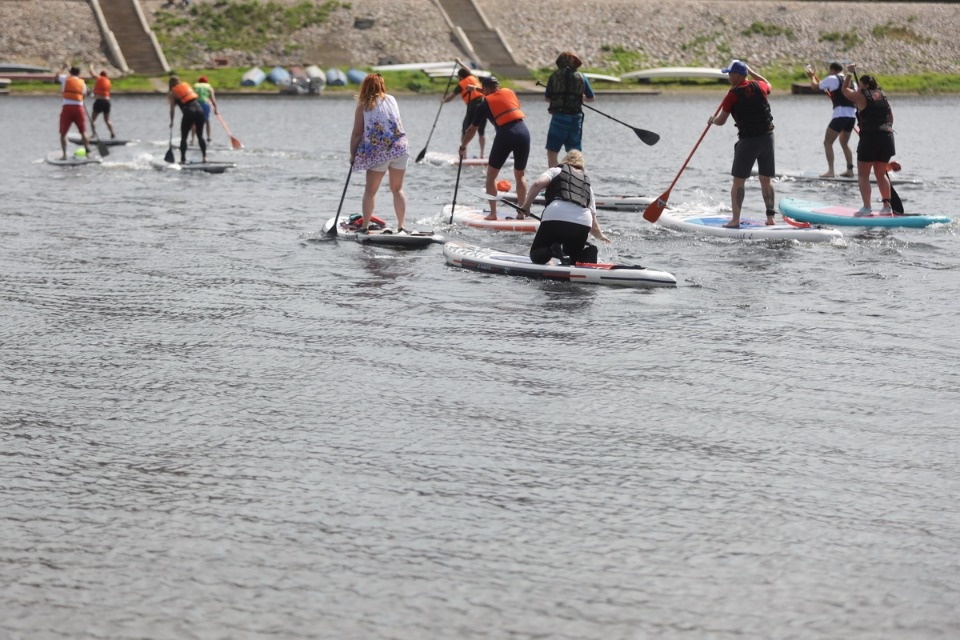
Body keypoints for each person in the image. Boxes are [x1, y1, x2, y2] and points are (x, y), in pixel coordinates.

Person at [709, 59, 776, 228]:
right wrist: (752, 72)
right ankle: (770, 218)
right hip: (768, 138)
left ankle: (735, 220)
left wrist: (712, 121)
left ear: (737, 75)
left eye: (729, 74)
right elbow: (769, 83)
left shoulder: (732, 95)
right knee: (766, 179)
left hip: (748, 141)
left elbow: (722, 121)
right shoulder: (759, 86)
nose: (728, 77)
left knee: (738, 182)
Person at [520, 150, 610, 265]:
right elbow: (594, 226)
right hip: (582, 222)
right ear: (582, 165)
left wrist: (526, 206)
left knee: (537, 255)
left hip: (556, 215)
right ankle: (588, 252)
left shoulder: (556, 171)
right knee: (574, 260)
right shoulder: (587, 185)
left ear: (566, 160)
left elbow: (537, 184)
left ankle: (553, 250)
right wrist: (601, 236)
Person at [459, 76, 530, 221]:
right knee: (520, 175)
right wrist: (477, 89)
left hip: (505, 135)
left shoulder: (483, 105)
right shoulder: (510, 92)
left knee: (491, 176)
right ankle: (521, 212)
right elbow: (495, 95)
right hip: (523, 133)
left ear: (484, 89)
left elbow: (472, 129)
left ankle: (493, 214)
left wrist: (463, 146)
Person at [349, 73, 409, 232]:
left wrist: (352, 155)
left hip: (379, 152)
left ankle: (365, 225)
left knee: (370, 191)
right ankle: (401, 226)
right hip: (400, 148)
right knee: (397, 189)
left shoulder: (364, 105)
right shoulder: (391, 99)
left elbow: (357, 133)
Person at [841, 65, 896, 214]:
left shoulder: (861, 96)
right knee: (880, 173)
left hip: (870, 138)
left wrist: (849, 73)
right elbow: (890, 118)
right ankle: (887, 207)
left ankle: (867, 207)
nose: (858, 87)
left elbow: (844, 90)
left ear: (864, 85)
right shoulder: (883, 96)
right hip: (887, 137)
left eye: (859, 85)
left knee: (863, 175)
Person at [544, 51, 595, 168]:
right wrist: (580, 98)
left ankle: (553, 177)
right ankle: (577, 179)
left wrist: (559, 98)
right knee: (574, 154)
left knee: (552, 153)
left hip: (558, 118)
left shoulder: (554, 76)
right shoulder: (582, 77)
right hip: (575, 119)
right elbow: (591, 98)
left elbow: (547, 98)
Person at [805, 61, 856, 177]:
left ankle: (831, 171)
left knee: (827, 142)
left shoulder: (832, 78)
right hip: (851, 116)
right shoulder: (851, 82)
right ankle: (850, 170)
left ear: (832, 70)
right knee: (844, 143)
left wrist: (812, 76)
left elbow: (814, 87)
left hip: (840, 115)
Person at [442, 68, 487, 158]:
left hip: (473, 106)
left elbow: (451, 97)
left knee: (465, 130)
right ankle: (482, 155)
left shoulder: (462, 83)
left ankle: (464, 155)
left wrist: (443, 101)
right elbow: (468, 70)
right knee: (481, 131)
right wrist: (460, 63)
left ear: (461, 76)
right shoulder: (474, 77)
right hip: (483, 104)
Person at [167, 75, 207, 163]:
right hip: (200, 110)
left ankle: (183, 159)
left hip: (189, 111)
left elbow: (172, 109)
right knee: (200, 136)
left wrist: (172, 122)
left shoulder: (172, 93)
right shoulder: (187, 86)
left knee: (184, 137)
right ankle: (204, 157)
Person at [57, 66, 90, 160]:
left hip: (67, 108)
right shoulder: (82, 83)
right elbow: (85, 95)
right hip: (79, 108)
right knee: (83, 132)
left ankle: (64, 155)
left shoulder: (65, 79)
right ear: (79, 74)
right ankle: (88, 154)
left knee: (63, 133)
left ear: (70, 72)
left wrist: (62, 67)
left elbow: (56, 76)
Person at [191, 75, 219, 145]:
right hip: (205, 104)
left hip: (195, 105)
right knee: (207, 121)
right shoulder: (209, 88)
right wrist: (215, 109)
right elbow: (213, 99)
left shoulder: (195, 87)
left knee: (194, 123)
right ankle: (208, 138)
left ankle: (192, 140)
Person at [89, 70, 117, 139]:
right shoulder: (108, 81)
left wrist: (91, 67)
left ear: (100, 75)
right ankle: (112, 133)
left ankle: (93, 134)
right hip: (107, 102)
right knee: (107, 120)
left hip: (99, 101)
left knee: (92, 120)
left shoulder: (100, 78)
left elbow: (92, 74)